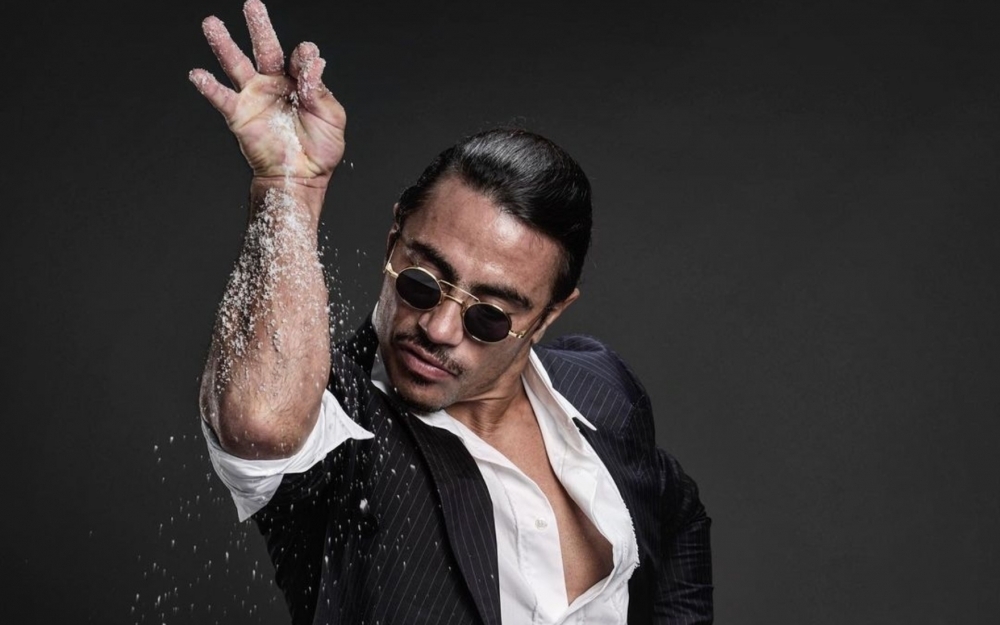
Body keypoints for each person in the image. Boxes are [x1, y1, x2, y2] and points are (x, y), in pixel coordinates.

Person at [191, 1, 713, 623]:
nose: (437, 329)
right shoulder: (341, 430)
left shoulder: (598, 387)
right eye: (421, 283)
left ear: (548, 317)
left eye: (488, 316)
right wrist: (289, 188)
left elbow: (675, 515)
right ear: (394, 241)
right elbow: (261, 423)